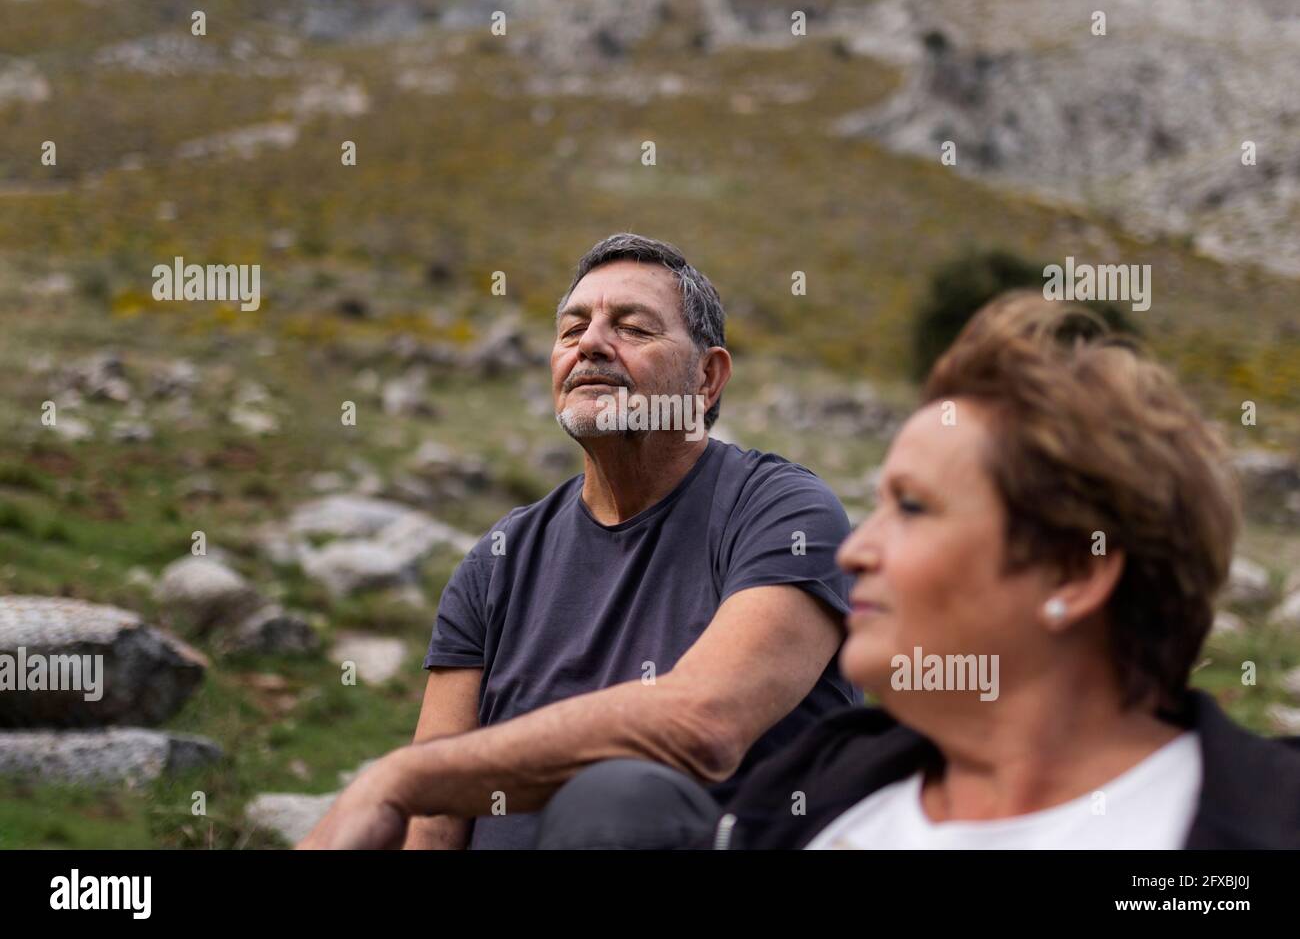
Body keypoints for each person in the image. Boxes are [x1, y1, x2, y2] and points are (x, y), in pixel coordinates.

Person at [536, 292, 1300, 849]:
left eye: (915, 508)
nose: (853, 551)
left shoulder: (1250, 830)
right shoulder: (807, 807)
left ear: (1075, 572)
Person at [299, 233, 860, 849]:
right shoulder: (498, 559)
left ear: (706, 377)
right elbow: (434, 821)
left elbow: (704, 722)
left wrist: (400, 776)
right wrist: (409, 788)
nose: (591, 343)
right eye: (571, 330)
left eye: (633, 328)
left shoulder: (781, 511)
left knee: (619, 798)